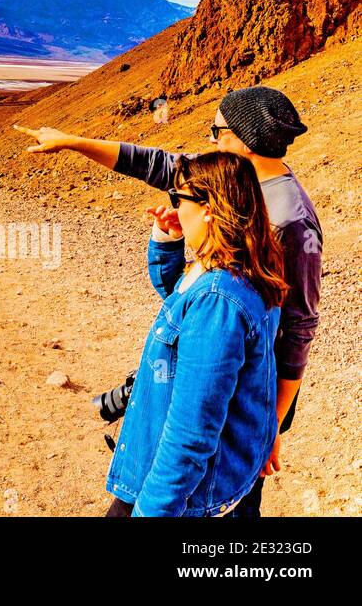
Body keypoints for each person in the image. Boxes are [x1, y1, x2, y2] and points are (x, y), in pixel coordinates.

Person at [16, 86, 321, 516]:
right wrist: (72, 142)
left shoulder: (290, 219)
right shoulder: (231, 186)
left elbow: (297, 328)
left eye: (217, 131)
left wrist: (271, 422)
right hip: (219, 377)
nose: (210, 140)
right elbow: (153, 165)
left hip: (243, 400)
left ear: (246, 139)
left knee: (221, 491)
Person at [103, 152, 286, 515]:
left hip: (178, 499)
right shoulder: (243, 269)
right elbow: (181, 300)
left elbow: (191, 431)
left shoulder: (219, 300)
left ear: (208, 208)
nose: (175, 207)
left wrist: (153, 510)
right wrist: (167, 240)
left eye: (179, 198)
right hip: (201, 487)